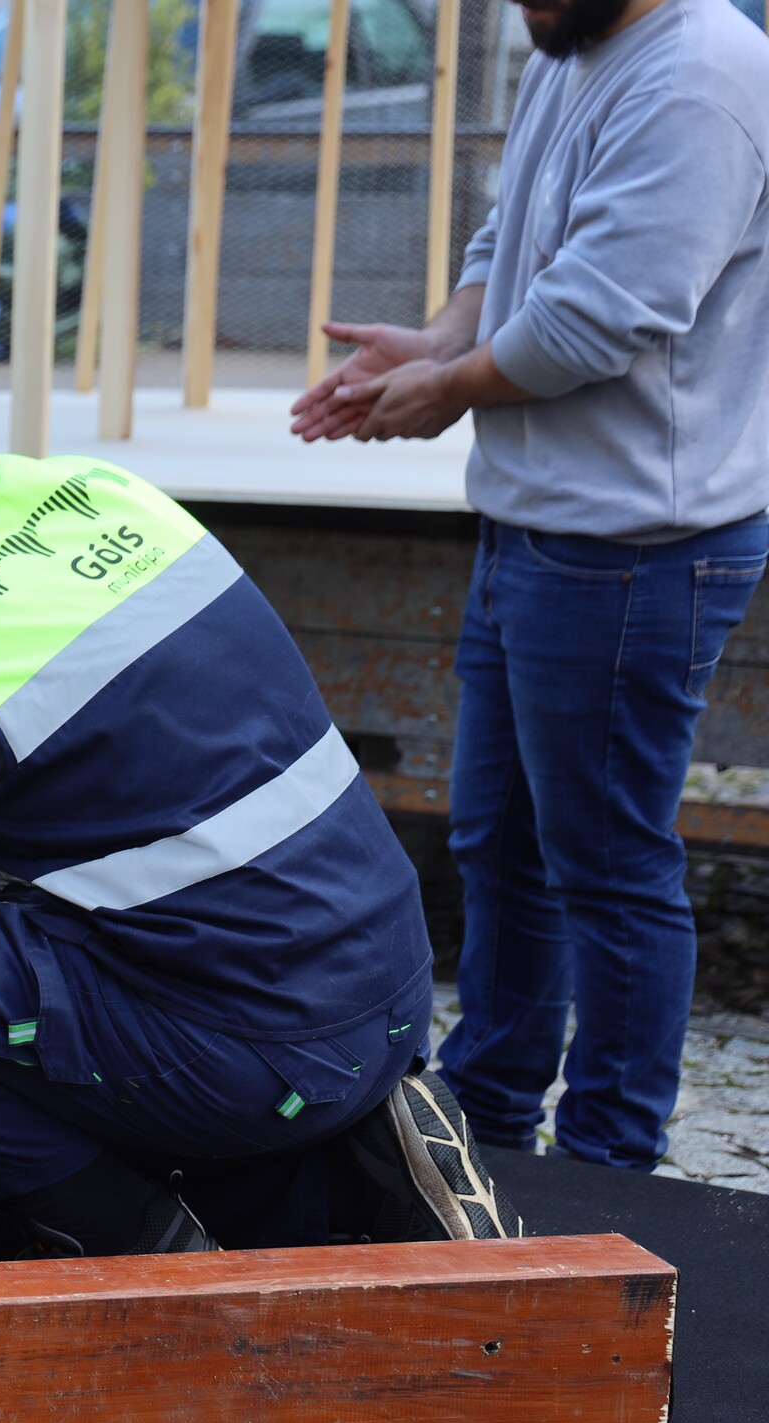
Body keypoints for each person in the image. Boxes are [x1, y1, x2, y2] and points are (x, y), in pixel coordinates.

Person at [0, 357, 522, 1256]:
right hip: (388, 978)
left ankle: (119, 1232)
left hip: (258, 1051)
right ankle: (360, 1144)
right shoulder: (89, 489)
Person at [290, 0, 769, 1170]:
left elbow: (603, 314)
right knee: (500, 840)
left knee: (607, 863)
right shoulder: (580, 44)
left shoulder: (703, 74)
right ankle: (491, 1111)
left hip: (634, 549)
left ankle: (611, 1154)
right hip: (540, 525)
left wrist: (452, 386)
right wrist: (441, 339)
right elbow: (507, 247)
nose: (519, 6)